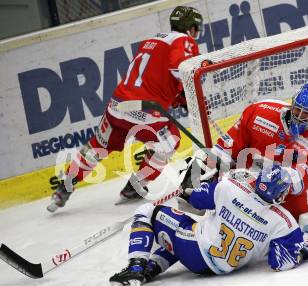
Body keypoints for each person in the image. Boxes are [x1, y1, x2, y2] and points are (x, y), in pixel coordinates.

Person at [47, 6, 203, 212]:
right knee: (171, 140)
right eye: (195, 28)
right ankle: (135, 187)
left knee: (96, 148)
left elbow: (152, 78)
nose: (196, 33)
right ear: (190, 28)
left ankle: (64, 188)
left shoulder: (153, 40)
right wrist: (192, 92)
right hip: (144, 111)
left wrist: (176, 98)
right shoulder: (184, 41)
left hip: (117, 106)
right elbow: (179, 70)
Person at [108, 165, 308, 286]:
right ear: (281, 195)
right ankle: (151, 268)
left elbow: (196, 199)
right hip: (220, 269)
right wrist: (304, 246)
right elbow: (280, 263)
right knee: (190, 232)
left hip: (194, 250)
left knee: (147, 211)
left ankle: (134, 270)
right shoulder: (284, 222)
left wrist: (191, 187)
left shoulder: (229, 187)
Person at [185, 82, 308, 236]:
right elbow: (227, 147)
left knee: (296, 230)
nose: (299, 116)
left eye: (306, 113)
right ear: (293, 102)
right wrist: (207, 167)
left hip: (281, 194)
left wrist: (281, 180)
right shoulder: (260, 112)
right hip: (243, 179)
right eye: (297, 108)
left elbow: (300, 182)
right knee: (202, 194)